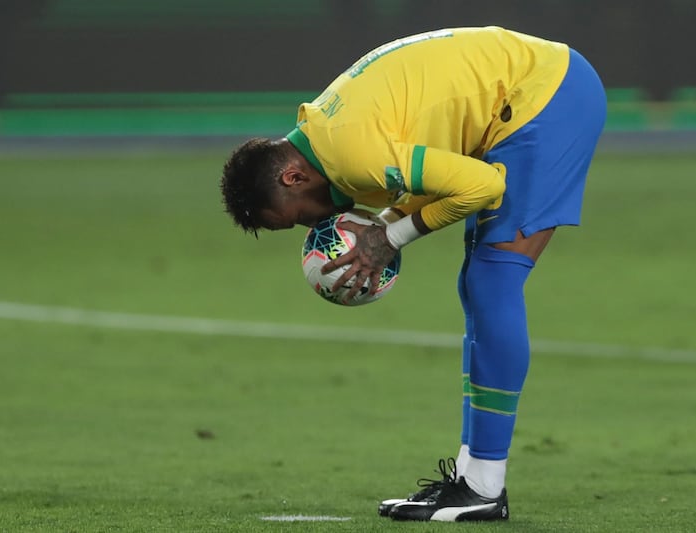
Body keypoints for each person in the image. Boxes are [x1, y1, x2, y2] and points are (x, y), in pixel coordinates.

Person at [219, 26, 606, 522]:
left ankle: (484, 486)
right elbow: (431, 165)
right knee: (479, 284)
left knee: (492, 281)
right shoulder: (328, 136)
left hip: (547, 98)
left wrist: (390, 237)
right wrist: (383, 227)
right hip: (535, 87)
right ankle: (472, 481)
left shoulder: (353, 156)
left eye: (297, 217)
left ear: (292, 176)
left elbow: (482, 186)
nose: (315, 226)